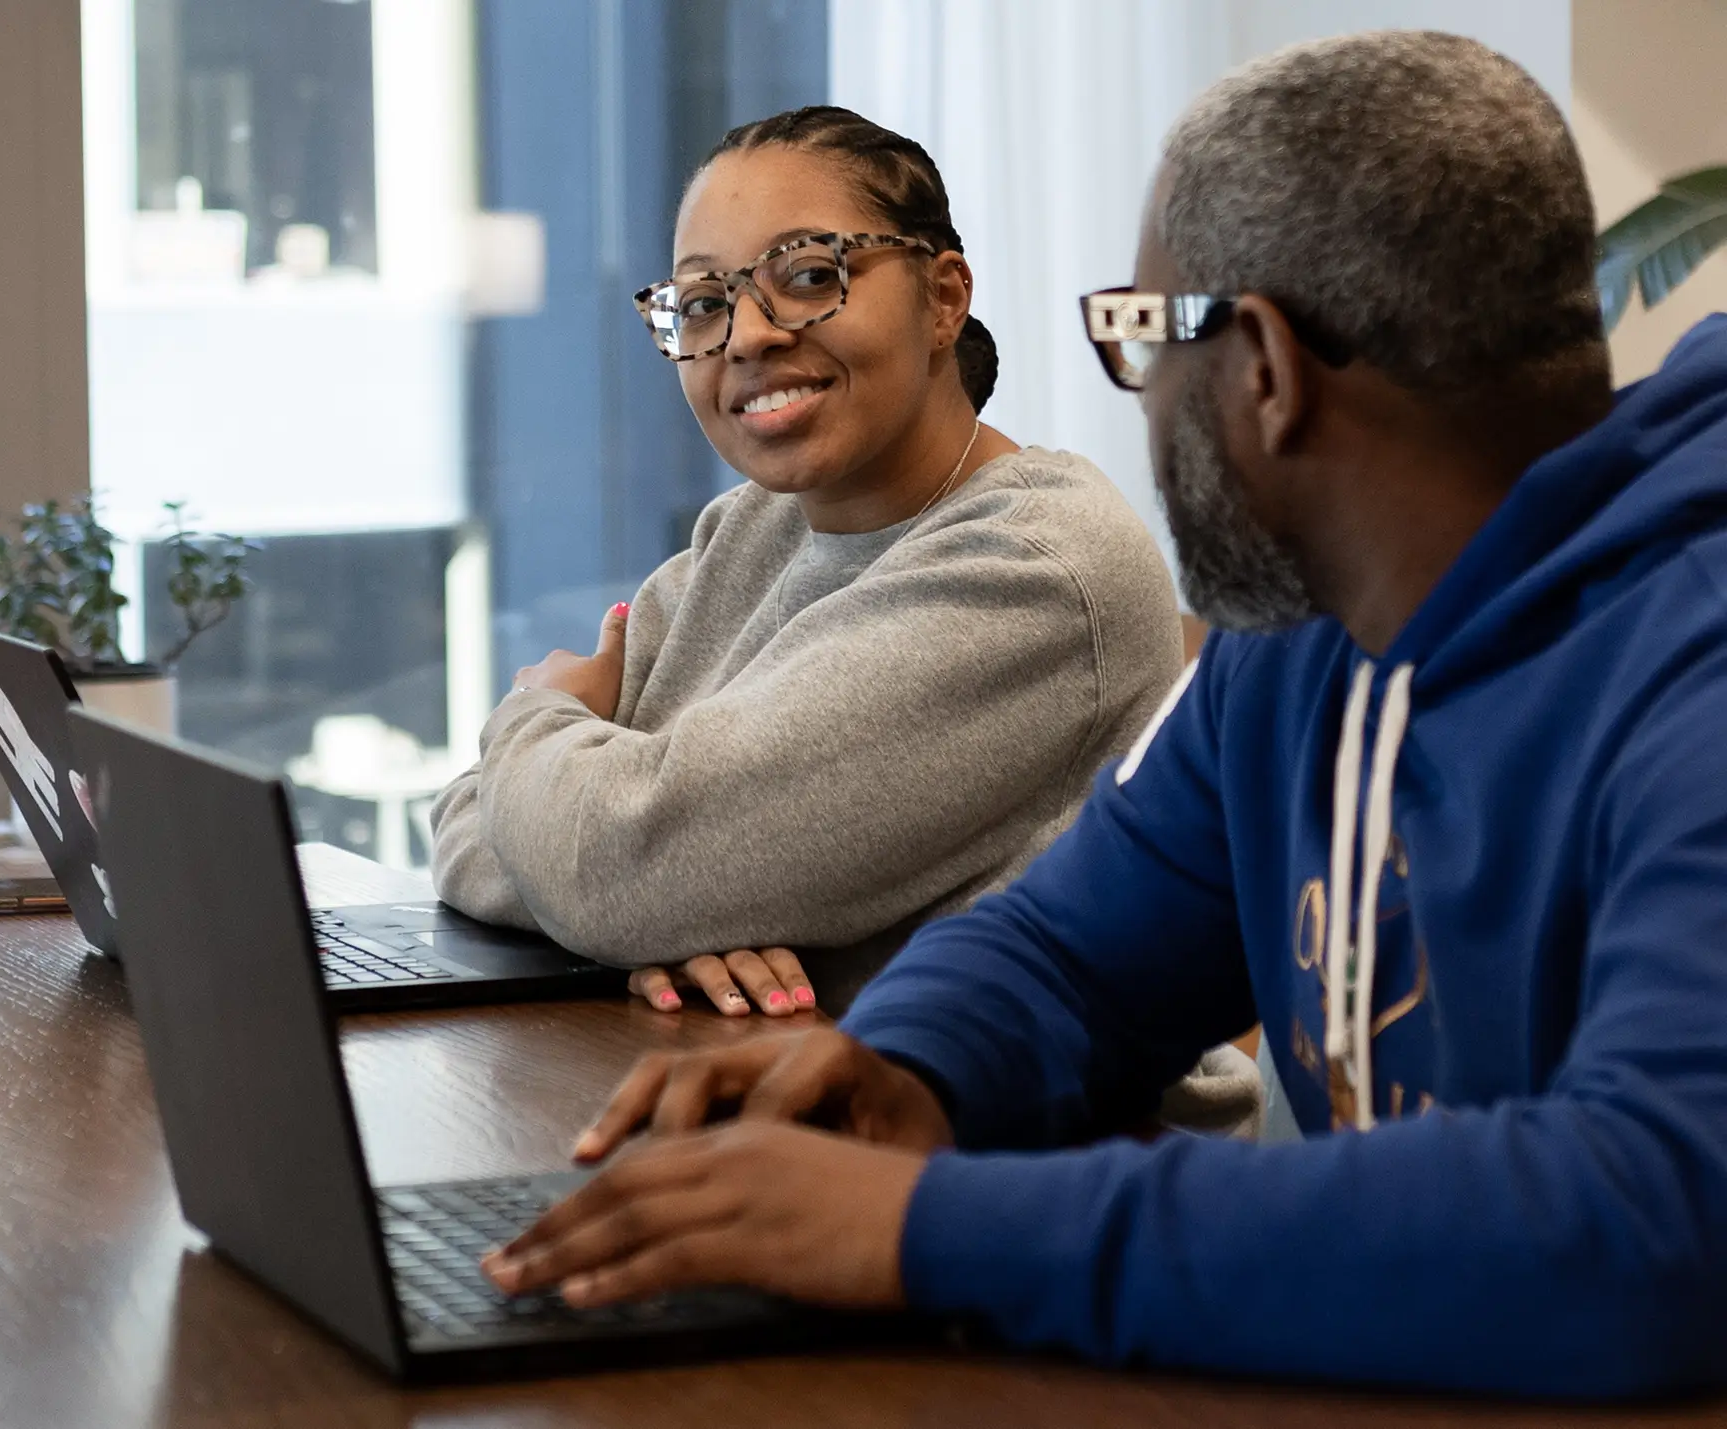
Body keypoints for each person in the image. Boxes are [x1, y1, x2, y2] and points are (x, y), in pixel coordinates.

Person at [480, 33, 1727, 1398]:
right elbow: (1071, 955)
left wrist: (923, 1230)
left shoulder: (1692, 666)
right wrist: (892, 1074)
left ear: (1260, 369)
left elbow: (1653, 1218)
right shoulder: (1299, 639)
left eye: (1141, 338)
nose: (1136, 411)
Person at [431, 107, 1188, 1019]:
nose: (747, 336)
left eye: (807, 276)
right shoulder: (751, 531)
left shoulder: (1037, 569)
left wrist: (534, 716)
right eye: (705, 303)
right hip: (779, 1089)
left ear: (943, 298)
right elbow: (474, 826)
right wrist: (637, 909)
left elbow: (616, 864)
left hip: (1034, 1143)